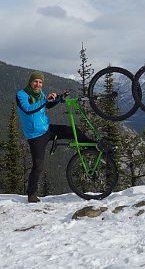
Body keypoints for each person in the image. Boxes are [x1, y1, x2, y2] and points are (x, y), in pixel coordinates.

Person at [16, 71, 93, 203]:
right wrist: (45, 100)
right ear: (30, 81)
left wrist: (57, 98)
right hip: (35, 136)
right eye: (35, 81)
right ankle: (31, 194)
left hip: (47, 129)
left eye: (40, 82)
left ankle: (94, 146)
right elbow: (28, 109)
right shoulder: (21, 95)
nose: (38, 84)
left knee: (72, 131)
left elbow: (48, 105)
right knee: (38, 165)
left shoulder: (40, 94)